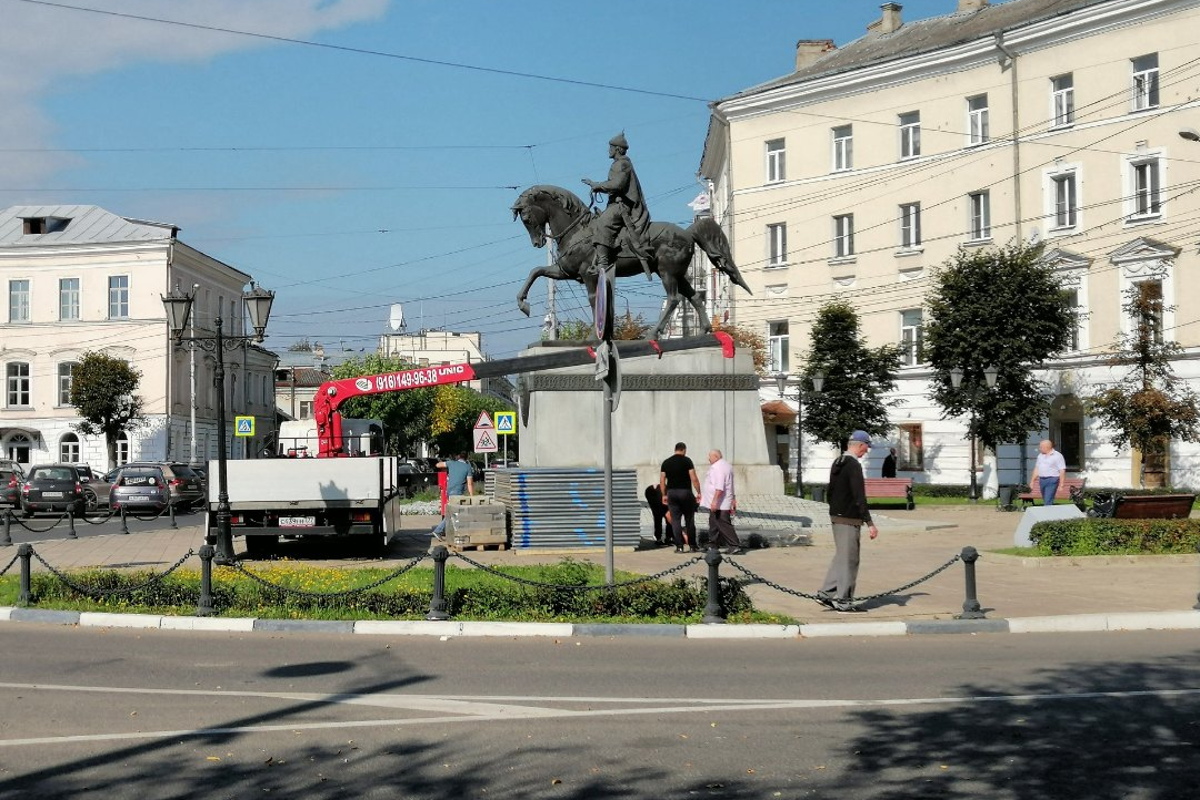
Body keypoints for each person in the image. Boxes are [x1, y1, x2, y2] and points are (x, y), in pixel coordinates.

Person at [816, 430, 879, 614]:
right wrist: (869, 522)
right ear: (860, 445)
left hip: (837, 516)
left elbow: (831, 491)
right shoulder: (853, 465)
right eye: (866, 447)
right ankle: (845, 601)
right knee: (850, 560)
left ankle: (825, 594)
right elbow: (859, 496)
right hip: (849, 518)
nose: (866, 451)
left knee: (841, 557)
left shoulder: (838, 461)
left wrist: (834, 511)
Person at [581, 131, 652, 279]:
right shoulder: (619, 164)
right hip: (615, 204)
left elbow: (617, 185)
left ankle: (603, 262)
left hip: (623, 205)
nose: (609, 150)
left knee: (602, 223)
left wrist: (597, 185)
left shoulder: (622, 164)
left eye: (611, 147)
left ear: (618, 149)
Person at [659, 442, 701, 553]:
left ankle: (679, 546)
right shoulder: (687, 461)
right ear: (684, 450)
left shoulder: (666, 462)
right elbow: (694, 478)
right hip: (685, 492)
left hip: (672, 493)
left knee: (676, 520)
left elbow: (662, 480)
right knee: (689, 520)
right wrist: (699, 492)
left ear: (675, 449)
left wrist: (664, 494)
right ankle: (692, 546)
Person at [701, 449, 741, 554]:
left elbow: (719, 487)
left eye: (710, 456)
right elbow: (730, 485)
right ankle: (713, 543)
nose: (708, 459)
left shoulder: (717, 467)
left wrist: (714, 502)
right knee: (714, 522)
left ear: (716, 457)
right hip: (722, 500)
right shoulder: (726, 465)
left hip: (720, 502)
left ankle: (734, 544)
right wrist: (733, 498)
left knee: (723, 523)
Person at [431, 453, 475, 537]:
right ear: (466, 458)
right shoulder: (467, 467)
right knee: (453, 513)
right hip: (457, 492)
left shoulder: (451, 463)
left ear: (458, 457)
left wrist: (445, 467)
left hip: (449, 491)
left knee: (454, 512)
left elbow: (438, 465)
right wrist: (472, 496)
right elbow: (470, 484)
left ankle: (454, 531)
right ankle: (438, 530)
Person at [1030, 439, 1067, 505]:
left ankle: (1047, 513)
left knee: (1048, 498)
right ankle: (1050, 512)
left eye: (1041, 447)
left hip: (1052, 479)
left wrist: (1061, 484)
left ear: (1047, 447)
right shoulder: (1040, 456)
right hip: (1042, 479)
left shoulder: (1057, 456)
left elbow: (1062, 470)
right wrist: (1032, 481)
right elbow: (1037, 468)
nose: (1039, 448)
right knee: (1045, 498)